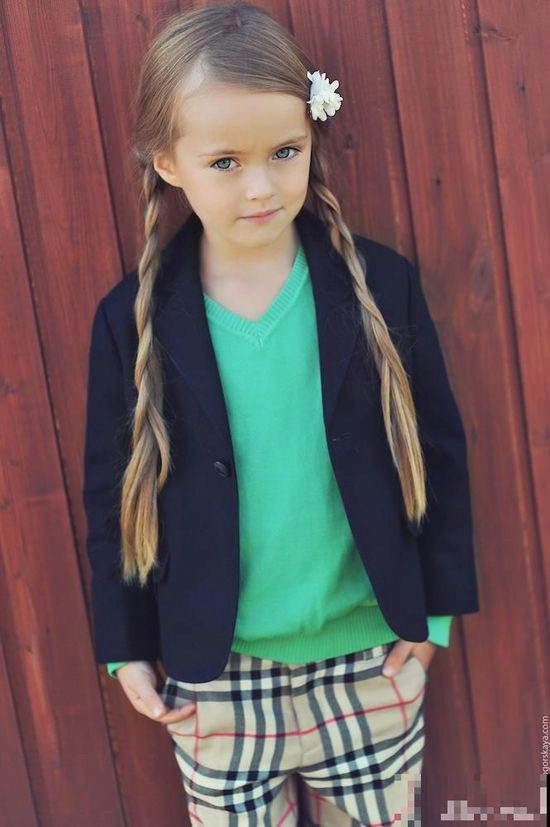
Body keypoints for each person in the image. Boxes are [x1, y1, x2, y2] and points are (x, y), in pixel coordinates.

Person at [82, 3, 480, 824]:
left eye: (284, 152)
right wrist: (126, 648)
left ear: (310, 136)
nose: (261, 185)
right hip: (216, 679)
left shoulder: (379, 285)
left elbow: (438, 449)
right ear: (168, 161)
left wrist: (435, 615)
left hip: (369, 662)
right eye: (226, 161)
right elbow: (111, 497)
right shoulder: (133, 322)